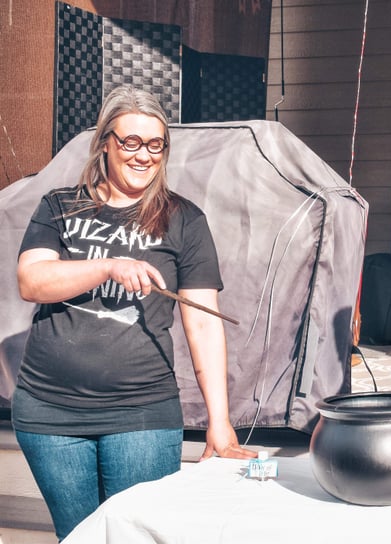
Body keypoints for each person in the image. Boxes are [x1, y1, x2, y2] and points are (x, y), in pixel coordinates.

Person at [12, 85, 257, 541]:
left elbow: (202, 322)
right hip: (50, 414)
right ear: (105, 142)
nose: (143, 155)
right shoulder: (59, 206)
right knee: (79, 536)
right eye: (130, 142)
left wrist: (219, 424)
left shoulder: (183, 219)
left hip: (141, 413)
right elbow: (33, 282)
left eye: (155, 144)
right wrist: (108, 265)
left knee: (138, 537)